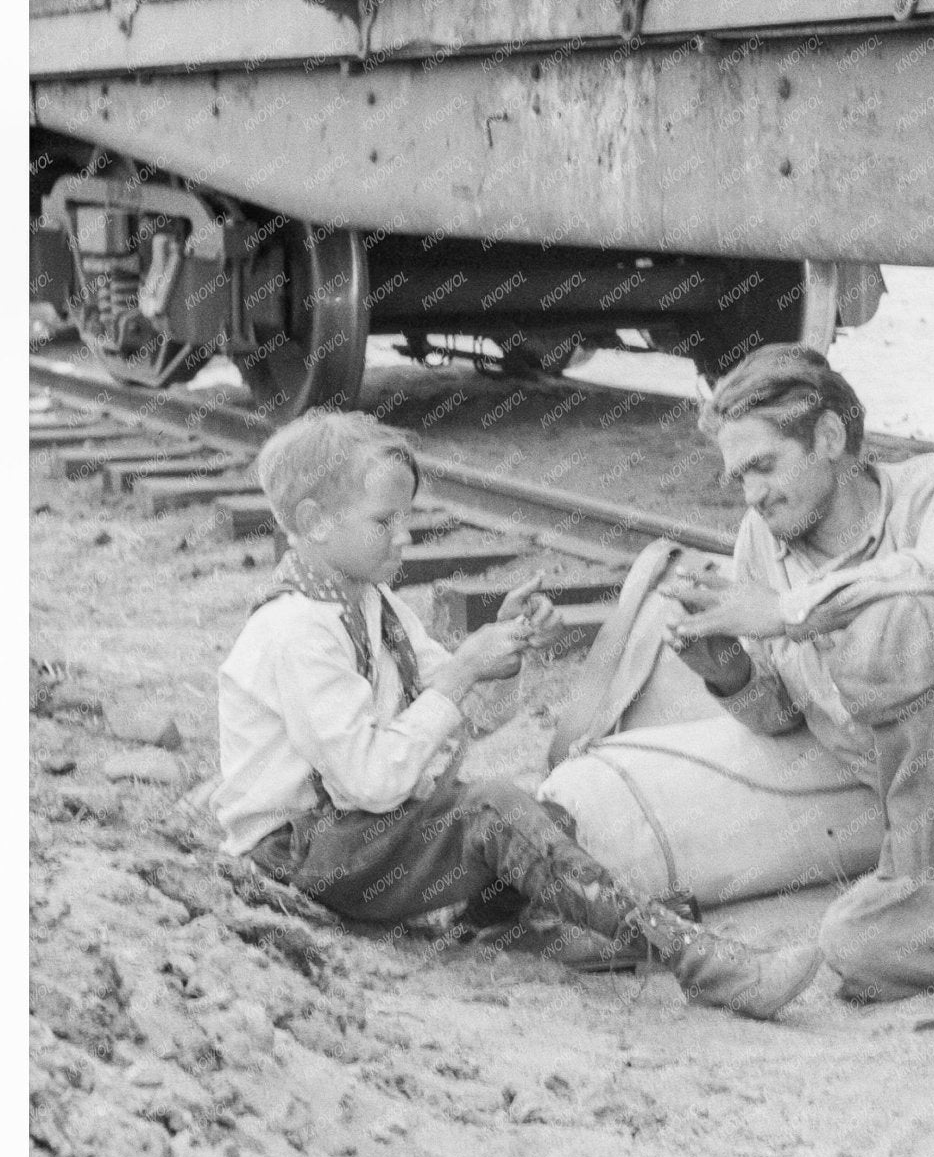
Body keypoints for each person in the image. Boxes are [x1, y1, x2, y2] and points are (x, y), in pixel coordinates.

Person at [214, 411, 817, 1019]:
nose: (405, 538)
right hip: (295, 853)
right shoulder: (295, 631)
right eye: (384, 521)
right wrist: (460, 673)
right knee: (496, 811)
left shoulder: (369, 601)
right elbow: (372, 780)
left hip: (352, 834)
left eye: (407, 518)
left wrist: (503, 652)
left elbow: (457, 720)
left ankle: (501, 925)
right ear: (315, 523)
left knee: (542, 816)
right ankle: (700, 961)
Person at [654, 345, 934, 1000]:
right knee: (852, 942)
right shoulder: (761, 541)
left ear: (830, 437)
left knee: (897, 627)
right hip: (909, 807)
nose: (753, 495)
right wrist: (726, 672)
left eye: (764, 466)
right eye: (739, 479)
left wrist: (788, 611)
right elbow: (784, 716)